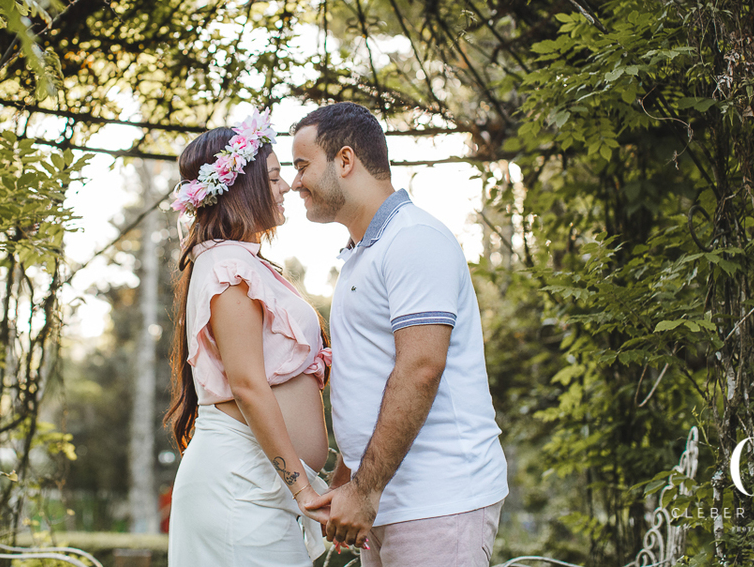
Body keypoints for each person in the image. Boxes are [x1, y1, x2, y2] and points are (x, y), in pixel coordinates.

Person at [291, 102, 508, 567]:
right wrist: (348, 481)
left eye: (302, 166)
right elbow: (372, 377)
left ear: (345, 161)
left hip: (439, 498)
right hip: (386, 499)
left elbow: (420, 368)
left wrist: (364, 490)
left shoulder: (414, 239)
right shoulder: (362, 253)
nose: (295, 182)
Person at [165, 109, 333, 566]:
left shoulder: (245, 263)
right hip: (238, 490)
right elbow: (247, 385)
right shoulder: (225, 266)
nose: (286, 187)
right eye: (276, 176)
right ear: (243, 186)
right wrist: (302, 488)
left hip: (257, 486)